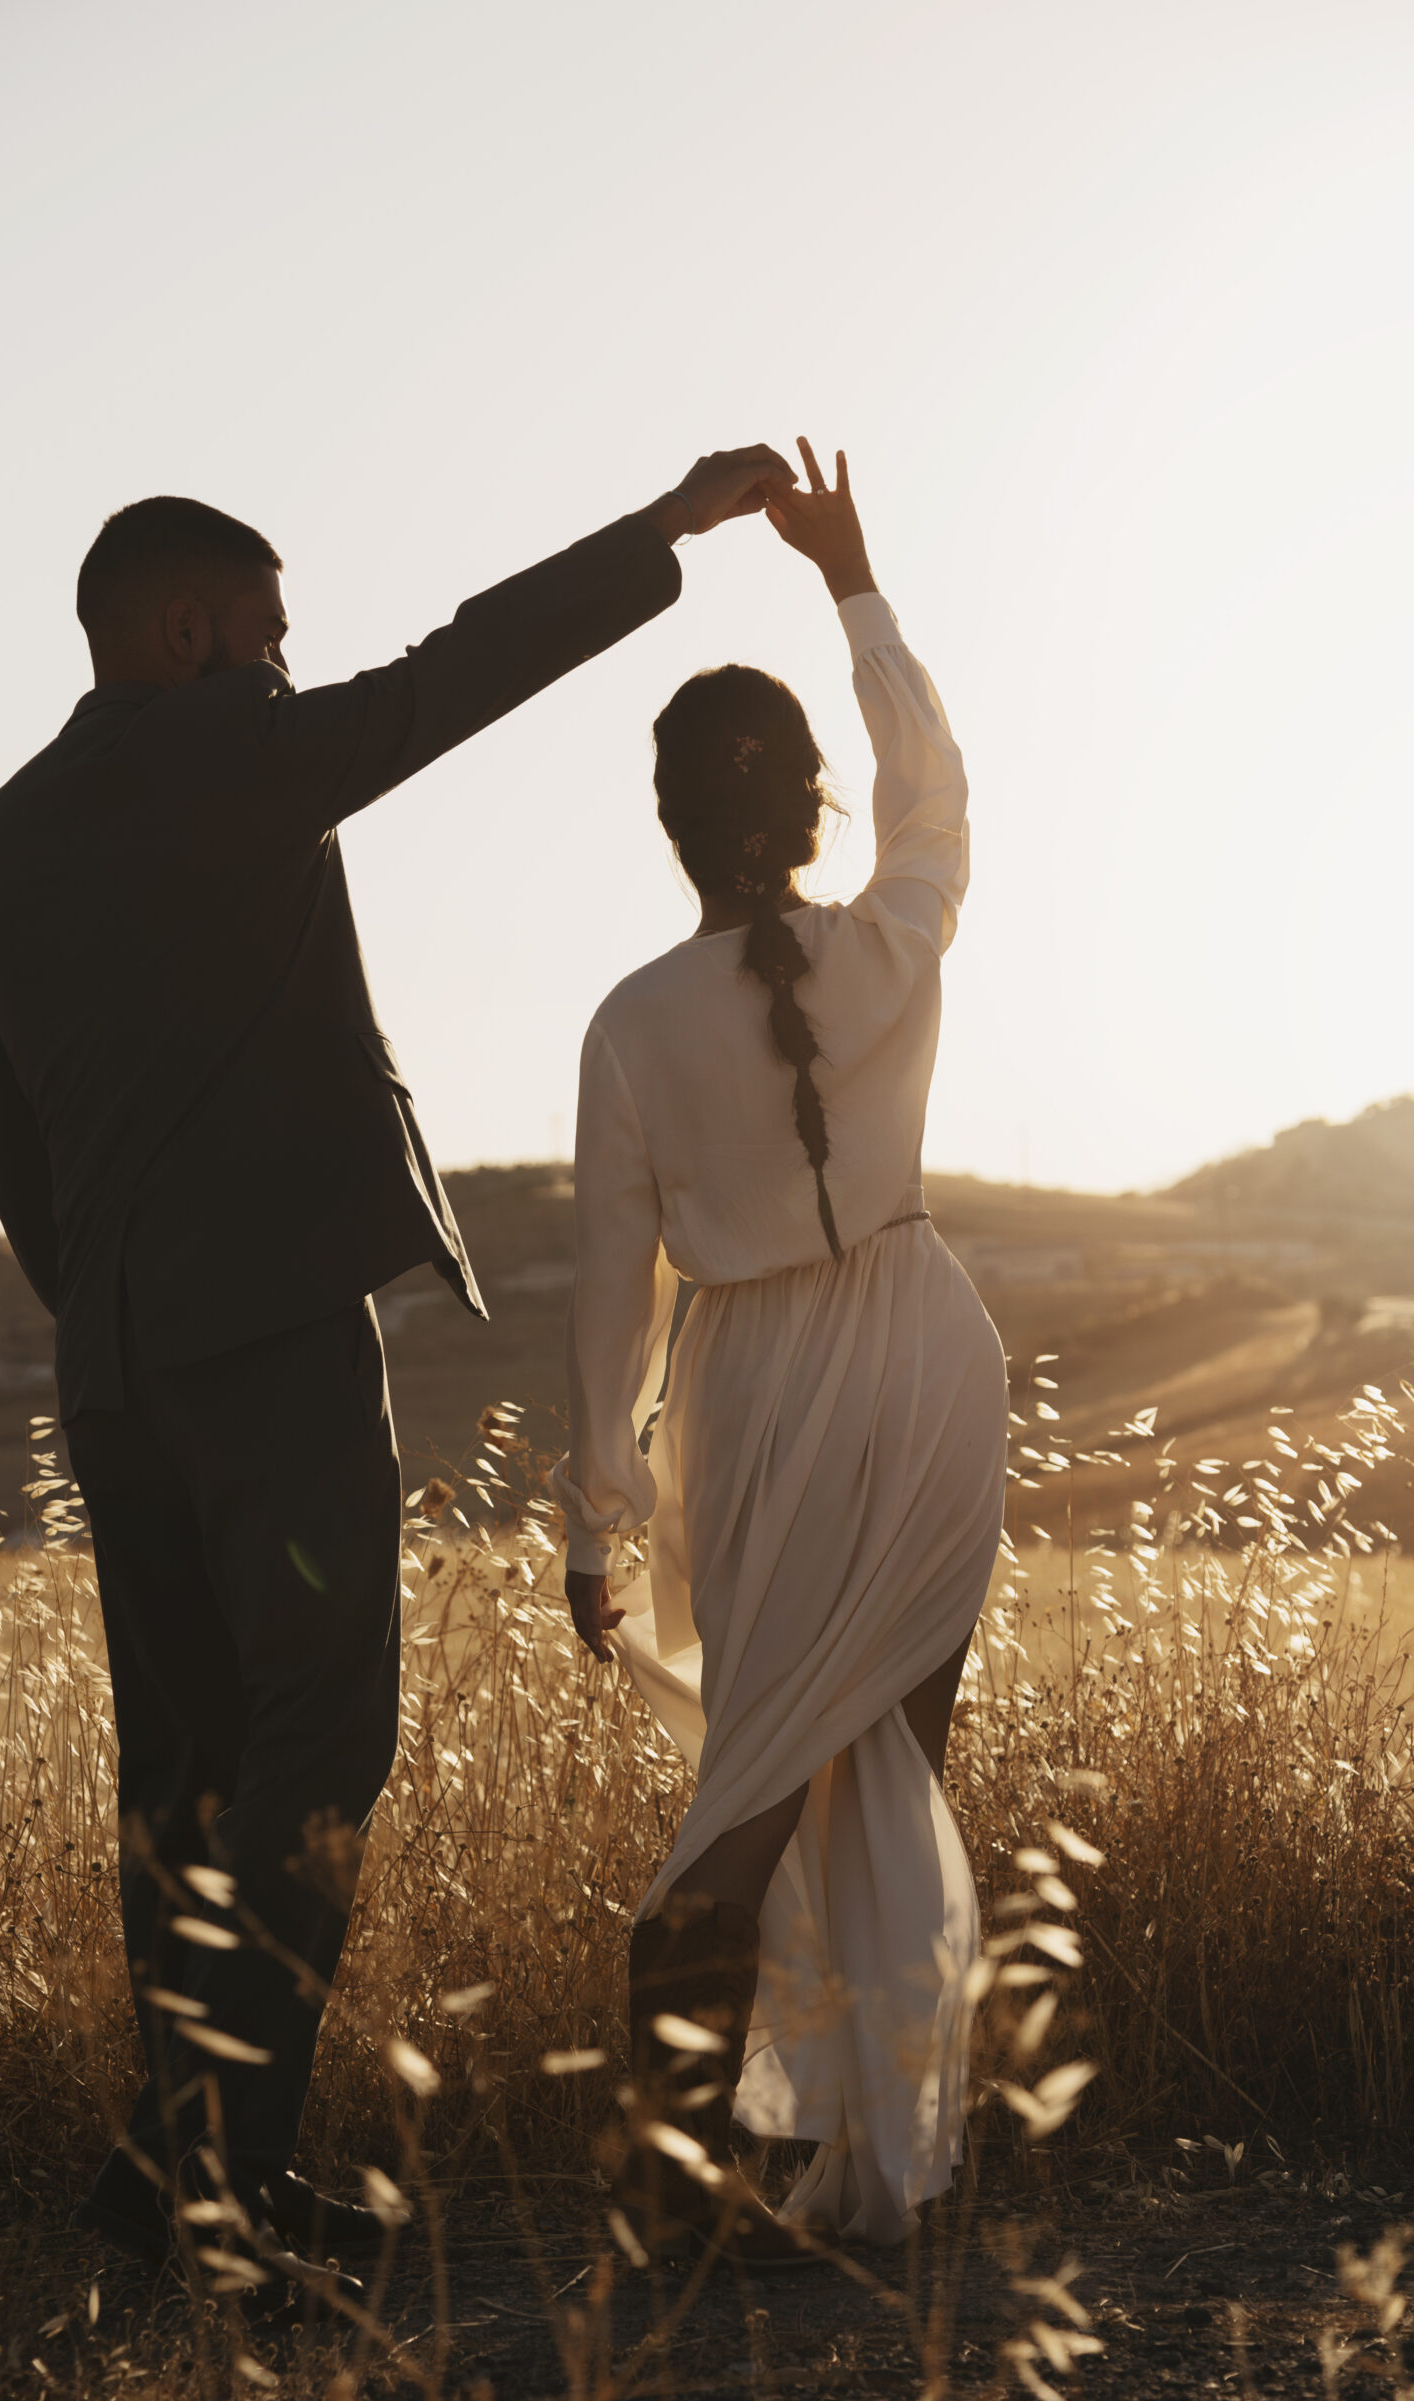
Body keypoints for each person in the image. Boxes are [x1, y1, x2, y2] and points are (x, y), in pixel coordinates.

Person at [0, 446, 794, 2268]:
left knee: (181, 1774)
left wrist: (115, 1316)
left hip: (117, 1361)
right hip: (267, 1343)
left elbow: (14, 1154)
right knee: (323, 1737)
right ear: (186, 628)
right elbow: (453, 677)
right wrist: (658, 537)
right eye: (265, 635)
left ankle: (166, 2164)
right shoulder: (225, 757)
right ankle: (223, 2187)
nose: (285, 665)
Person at [553, 442, 1008, 2262]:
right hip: (926, 1365)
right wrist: (854, 582)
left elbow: (611, 1296)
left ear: (668, 823)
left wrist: (597, 1518)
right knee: (896, 1769)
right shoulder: (893, 935)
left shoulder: (629, 1026)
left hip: (755, 1402)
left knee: (748, 1798)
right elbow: (942, 799)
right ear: (810, 808)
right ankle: (889, 2168)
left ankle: (664, 2203)